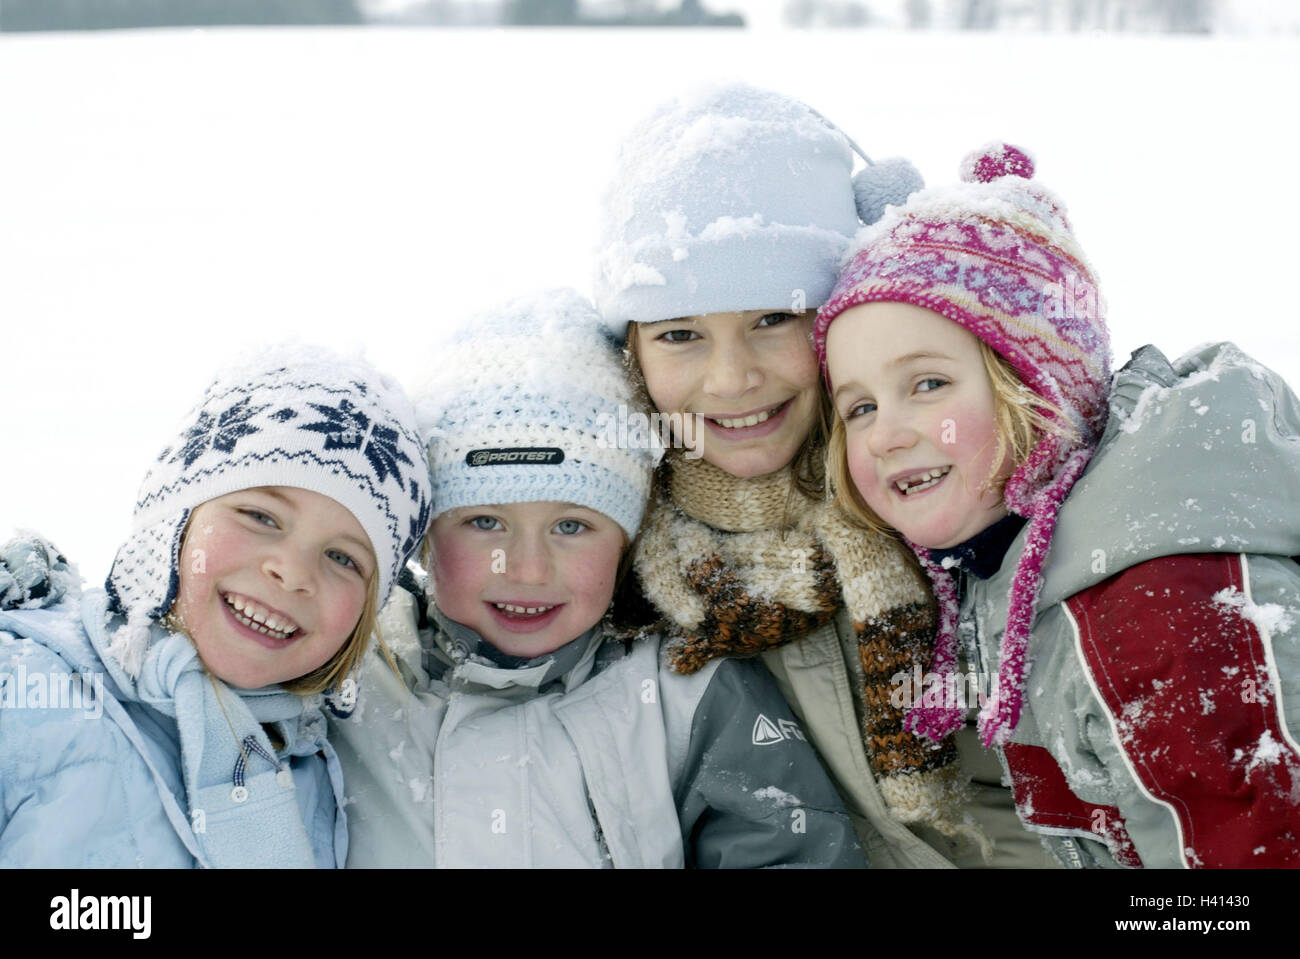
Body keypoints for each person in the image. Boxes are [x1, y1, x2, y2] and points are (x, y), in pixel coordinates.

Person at [816, 142, 1300, 868]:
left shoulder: (1156, 612)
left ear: (1040, 394)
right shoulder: (1014, 558)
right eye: (857, 406)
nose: (885, 434)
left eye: (928, 385)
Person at [594, 82, 1019, 867]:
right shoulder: (608, 564)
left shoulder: (966, 493)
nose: (731, 379)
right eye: (682, 333)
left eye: (773, 318)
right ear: (632, 353)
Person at [328, 289, 865, 867]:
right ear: (425, 537)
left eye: (572, 525)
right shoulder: (350, 675)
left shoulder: (688, 695)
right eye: (485, 522)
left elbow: (789, 847)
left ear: (627, 540)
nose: (529, 569)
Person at [0, 345, 432, 867]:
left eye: (343, 557)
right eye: (261, 516)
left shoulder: (316, 764)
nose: (293, 573)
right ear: (172, 519)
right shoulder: (25, 690)